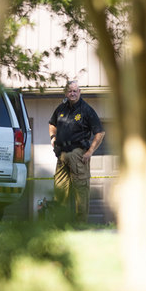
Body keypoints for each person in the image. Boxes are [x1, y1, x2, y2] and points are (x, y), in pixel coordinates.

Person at [48, 81, 105, 222]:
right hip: (61, 155)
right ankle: (60, 223)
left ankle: (81, 224)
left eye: (75, 91)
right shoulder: (61, 108)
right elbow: (52, 123)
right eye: (69, 91)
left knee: (81, 191)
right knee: (60, 189)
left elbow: (100, 133)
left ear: (79, 92)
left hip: (78, 154)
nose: (72, 94)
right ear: (66, 93)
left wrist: (90, 152)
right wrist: (53, 138)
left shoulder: (87, 110)